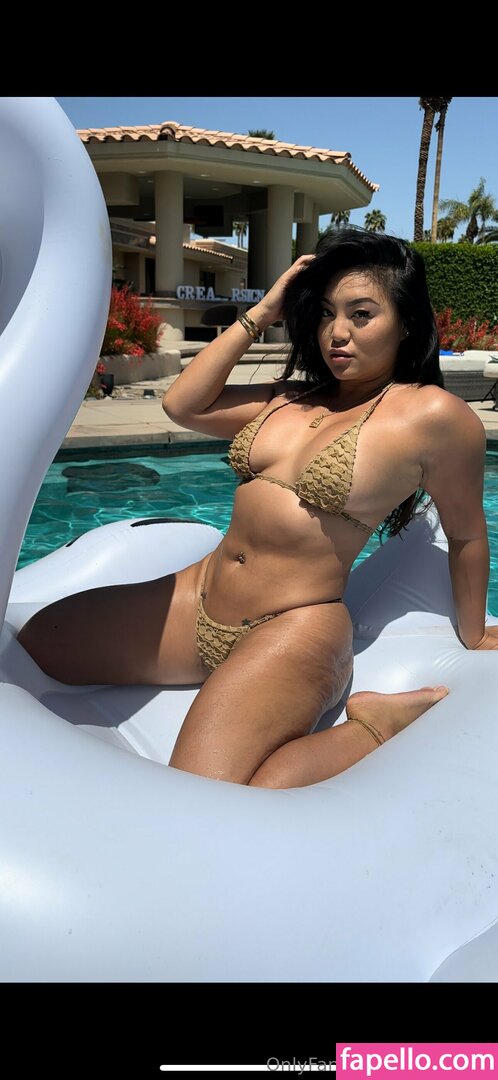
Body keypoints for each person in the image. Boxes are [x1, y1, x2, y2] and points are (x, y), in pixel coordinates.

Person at [18, 229, 498, 788]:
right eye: (325, 313)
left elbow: (467, 534)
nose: (337, 332)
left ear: (407, 323)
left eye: (361, 315)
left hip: (293, 626)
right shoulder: (290, 396)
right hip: (199, 598)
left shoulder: (433, 417)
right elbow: (182, 403)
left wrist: (473, 633)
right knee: (36, 646)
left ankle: (374, 726)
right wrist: (263, 311)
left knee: (206, 792)